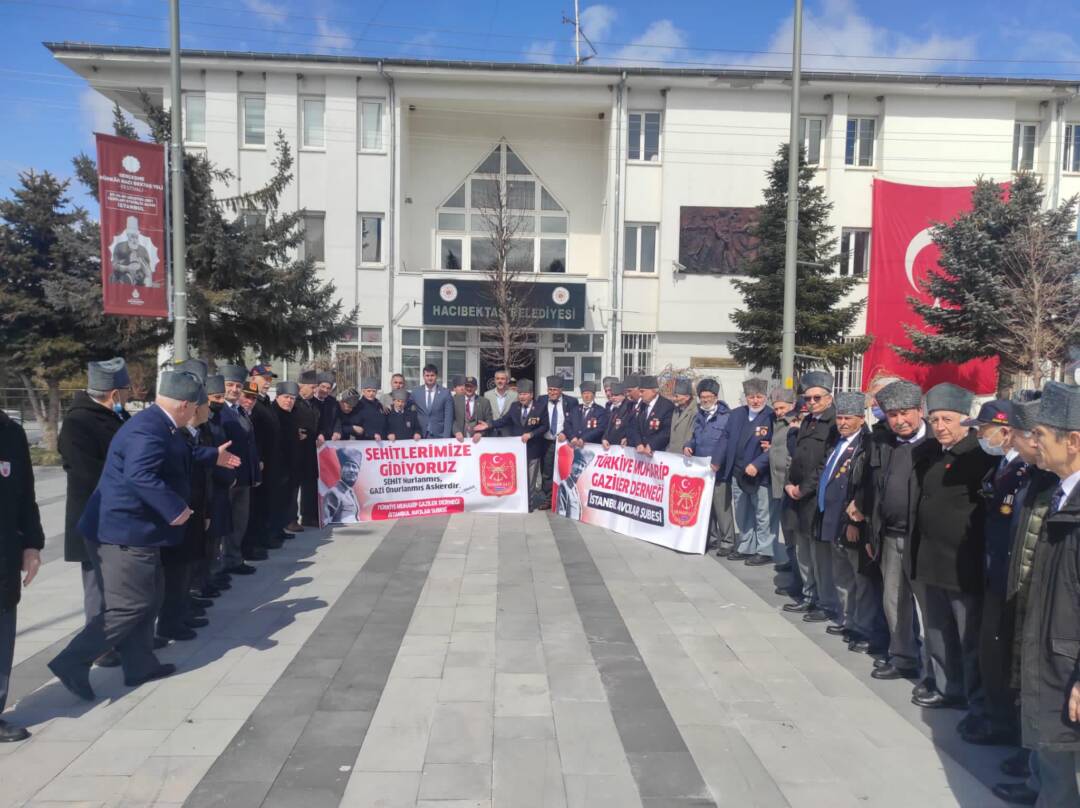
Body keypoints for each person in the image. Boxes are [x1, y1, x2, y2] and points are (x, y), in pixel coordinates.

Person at [48, 372, 239, 701]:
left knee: (148, 597)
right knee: (130, 605)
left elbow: (182, 454)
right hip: (123, 533)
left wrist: (212, 455)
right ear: (183, 405)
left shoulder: (161, 424)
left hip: (136, 531)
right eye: (194, 407)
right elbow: (140, 475)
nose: (195, 413)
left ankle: (139, 664)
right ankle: (71, 661)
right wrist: (174, 508)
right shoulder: (148, 430)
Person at [908, 383, 995, 711]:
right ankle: (947, 688)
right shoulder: (933, 454)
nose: (940, 426)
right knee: (938, 631)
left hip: (963, 563)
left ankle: (975, 700)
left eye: (947, 419)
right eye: (934, 420)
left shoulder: (979, 456)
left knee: (967, 637)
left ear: (965, 419)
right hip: (932, 559)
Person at [993, 399, 1058, 806]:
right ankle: (1035, 773)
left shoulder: (1057, 485)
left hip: (1047, 609)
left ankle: (1041, 780)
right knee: (1028, 687)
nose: (1014, 442)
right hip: (1025, 594)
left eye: (1023, 435)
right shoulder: (1036, 477)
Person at [1019, 382, 1080, 808]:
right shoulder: (1062, 496)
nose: (1033, 442)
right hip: (1053, 661)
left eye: (1040, 434)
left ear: (1073, 441)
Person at [848, 379, 928, 682]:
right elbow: (873, 489)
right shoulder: (883, 443)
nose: (899, 421)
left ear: (919, 411)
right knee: (894, 600)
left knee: (929, 609)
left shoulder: (933, 443)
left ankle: (936, 671)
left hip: (924, 539)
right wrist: (871, 531)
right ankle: (903, 657)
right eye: (893, 415)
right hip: (890, 534)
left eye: (905, 413)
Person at [960, 400, 1028, 746]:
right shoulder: (1002, 465)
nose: (979, 435)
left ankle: (1003, 725)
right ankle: (992, 715)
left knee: (1001, 656)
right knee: (988, 650)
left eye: (983, 429)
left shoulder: (1025, 473)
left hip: (1007, 577)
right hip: (992, 571)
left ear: (1005, 431)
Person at [57, 357, 131, 669]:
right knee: (97, 585)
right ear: (114, 393)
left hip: (115, 514)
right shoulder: (78, 422)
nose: (128, 396)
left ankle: (117, 639)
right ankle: (98, 647)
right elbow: (87, 473)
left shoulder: (114, 415)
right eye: (125, 391)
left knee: (116, 583)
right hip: (94, 517)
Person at [818, 391, 886, 652]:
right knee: (842, 576)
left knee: (860, 579)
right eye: (840, 418)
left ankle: (862, 626)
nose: (842, 423)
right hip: (832, 519)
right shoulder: (839, 442)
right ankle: (848, 619)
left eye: (848, 418)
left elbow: (862, 487)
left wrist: (856, 522)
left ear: (861, 419)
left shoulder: (865, 444)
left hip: (851, 522)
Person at [0, 406, 44, 742]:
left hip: (3, 557)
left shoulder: (10, 433)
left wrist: (32, 545)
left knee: (2, 640)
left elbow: (26, 495)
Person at [782, 371, 837, 616]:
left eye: (817, 398)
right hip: (796, 495)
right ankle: (808, 594)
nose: (812, 402)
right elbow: (796, 458)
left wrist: (803, 489)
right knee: (802, 549)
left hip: (815, 498)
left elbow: (826, 463)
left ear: (829, 397)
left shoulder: (835, 423)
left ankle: (825, 602)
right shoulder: (807, 421)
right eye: (808, 398)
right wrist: (788, 484)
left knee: (819, 555)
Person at [718, 378, 773, 565]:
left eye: (759, 397)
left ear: (765, 397)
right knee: (742, 511)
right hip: (738, 472)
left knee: (762, 513)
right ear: (746, 398)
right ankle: (746, 546)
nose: (755, 401)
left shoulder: (772, 416)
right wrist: (717, 460)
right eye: (751, 397)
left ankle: (764, 549)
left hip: (761, 474)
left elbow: (776, 447)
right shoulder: (736, 415)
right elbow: (725, 438)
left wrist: (758, 464)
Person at [217, 364, 260, 573]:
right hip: (227, 477)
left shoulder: (240, 411)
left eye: (237, 385)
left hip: (244, 477)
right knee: (223, 523)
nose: (234, 389)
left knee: (239, 521)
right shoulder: (218, 410)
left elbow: (250, 444)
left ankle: (234, 559)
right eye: (230, 385)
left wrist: (255, 472)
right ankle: (219, 564)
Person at [685, 379, 732, 553]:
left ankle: (728, 541)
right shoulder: (699, 416)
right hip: (702, 470)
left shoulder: (726, 417)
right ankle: (711, 538)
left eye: (708, 397)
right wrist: (688, 445)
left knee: (722, 508)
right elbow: (695, 437)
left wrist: (718, 461)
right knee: (706, 506)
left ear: (716, 397)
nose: (704, 400)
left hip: (719, 470)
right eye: (702, 397)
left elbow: (726, 442)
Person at [488, 379, 549, 510]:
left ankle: (529, 503)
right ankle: (517, 501)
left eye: (525, 394)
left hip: (533, 449)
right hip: (517, 451)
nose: (522, 396)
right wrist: (489, 424)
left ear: (531, 395)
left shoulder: (540, 407)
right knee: (518, 477)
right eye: (520, 394)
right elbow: (503, 420)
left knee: (531, 479)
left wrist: (531, 434)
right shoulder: (514, 406)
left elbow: (545, 426)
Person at [766, 388, 797, 572]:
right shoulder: (776, 422)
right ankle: (790, 558)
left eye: (782, 408)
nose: (778, 412)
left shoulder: (793, 423)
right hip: (776, 480)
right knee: (785, 526)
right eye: (776, 408)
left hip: (787, 481)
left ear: (792, 405)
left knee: (791, 527)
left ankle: (795, 563)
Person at [539, 376, 578, 507]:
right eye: (550, 390)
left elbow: (574, 421)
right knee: (547, 470)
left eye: (555, 390)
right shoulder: (541, 400)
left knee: (565, 469)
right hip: (547, 440)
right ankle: (548, 498)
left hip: (564, 442)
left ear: (561, 390)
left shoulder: (571, 402)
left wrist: (566, 433)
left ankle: (565, 497)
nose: (552, 392)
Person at [630, 375, 674, 456]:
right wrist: (638, 443)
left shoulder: (666, 406)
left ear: (654, 391)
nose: (640, 394)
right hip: (642, 454)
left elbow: (666, 431)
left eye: (642, 391)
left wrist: (652, 445)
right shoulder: (642, 405)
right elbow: (635, 426)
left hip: (658, 453)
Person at [413, 364, 455, 439]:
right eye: (427, 375)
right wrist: (388, 402)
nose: (430, 378)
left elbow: (448, 418)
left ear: (436, 376)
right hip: (421, 436)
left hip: (439, 436)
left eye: (432, 375)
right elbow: (403, 402)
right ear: (423, 376)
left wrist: (446, 438)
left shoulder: (445, 393)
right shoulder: (416, 392)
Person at [323, 448, 363, 524]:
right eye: (347, 465)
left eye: (354, 467)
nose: (351, 470)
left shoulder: (351, 493)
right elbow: (326, 522)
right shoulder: (334, 493)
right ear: (341, 469)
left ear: (358, 471)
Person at [109, 215, 152, 286]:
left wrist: (141, 266)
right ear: (128, 235)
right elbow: (114, 265)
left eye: (136, 237)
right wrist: (127, 268)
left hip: (139, 282)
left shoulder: (143, 250)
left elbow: (148, 270)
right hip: (122, 280)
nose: (134, 240)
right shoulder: (119, 247)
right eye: (132, 236)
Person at [563, 381, 608, 447]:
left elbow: (600, 429)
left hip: (592, 446)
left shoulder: (600, 410)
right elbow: (567, 424)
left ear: (594, 395)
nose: (586, 396)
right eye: (584, 393)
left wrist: (584, 439)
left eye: (589, 393)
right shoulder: (574, 409)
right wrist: (572, 437)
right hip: (574, 445)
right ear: (581, 395)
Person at [556, 447, 594, 519]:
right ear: (572, 463)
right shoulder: (564, 485)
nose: (579, 468)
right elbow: (561, 513)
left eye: (583, 466)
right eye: (578, 463)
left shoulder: (575, 488)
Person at [454, 376, 493, 441]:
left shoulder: (484, 402)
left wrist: (481, 433)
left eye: (472, 386)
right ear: (464, 387)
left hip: (479, 441)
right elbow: (452, 419)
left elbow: (489, 421)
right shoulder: (455, 401)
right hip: (459, 440)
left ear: (476, 387)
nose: (469, 389)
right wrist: (456, 431)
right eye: (467, 386)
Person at [668, 378, 699, 454]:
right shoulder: (676, 409)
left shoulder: (695, 411)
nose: (674, 399)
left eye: (676, 396)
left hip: (683, 455)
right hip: (671, 454)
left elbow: (691, 435)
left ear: (687, 397)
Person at [601, 380, 634, 449]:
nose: (613, 398)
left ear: (623, 395)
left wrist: (627, 437)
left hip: (624, 447)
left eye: (616, 395)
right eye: (612, 395)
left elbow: (632, 427)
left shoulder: (630, 406)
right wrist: (604, 438)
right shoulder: (615, 407)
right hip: (612, 446)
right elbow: (609, 427)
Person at [484, 369, 514, 436]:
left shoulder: (514, 395)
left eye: (502, 379)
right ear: (494, 380)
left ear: (507, 381)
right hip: (492, 432)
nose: (500, 381)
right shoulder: (487, 395)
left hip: (508, 432)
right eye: (497, 379)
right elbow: (486, 414)